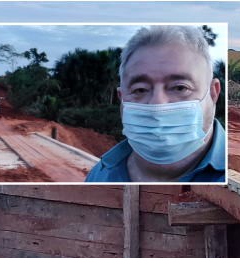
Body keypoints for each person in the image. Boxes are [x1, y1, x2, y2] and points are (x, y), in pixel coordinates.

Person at [86, 25, 224, 183]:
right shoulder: (98, 175)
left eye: (180, 87)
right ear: (121, 98)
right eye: (140, 90)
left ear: (213, 94)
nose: (157, 105)